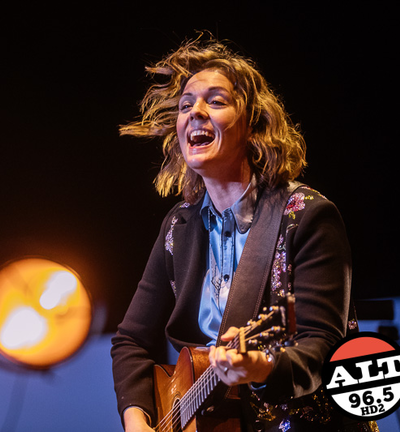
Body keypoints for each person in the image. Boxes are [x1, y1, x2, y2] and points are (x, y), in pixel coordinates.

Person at [110, 36, 378, 432]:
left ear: (252, 123)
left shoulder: (306, 217)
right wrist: (138, 421)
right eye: (186, 105)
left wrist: (262, 366)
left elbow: (324, 350)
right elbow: (130, 341)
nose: (195, 112)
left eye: (216, 101)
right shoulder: (178, 226)